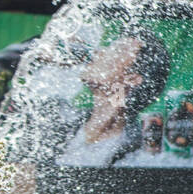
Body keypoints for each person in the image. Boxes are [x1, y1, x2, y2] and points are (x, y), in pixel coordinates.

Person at [60, 27, 171, 168]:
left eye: (119, 50)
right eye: (109, 47)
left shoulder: (140, 155)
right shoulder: (56, 120)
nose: (99, 52)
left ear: (132, 79)